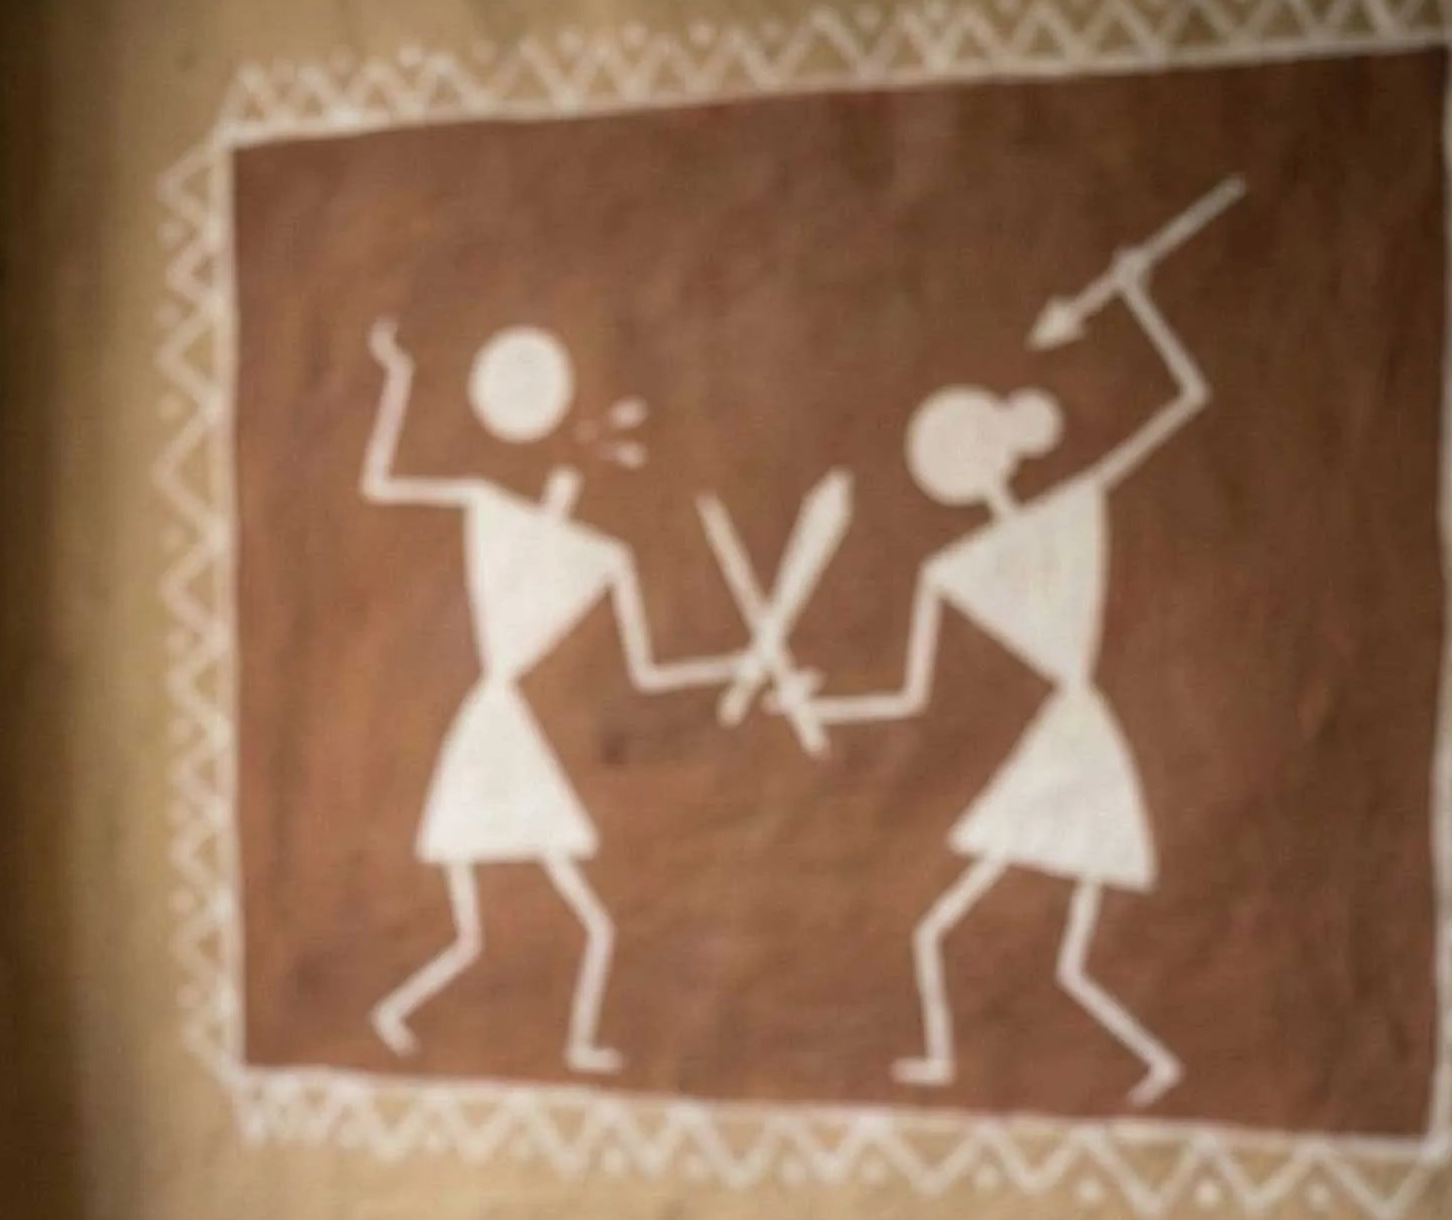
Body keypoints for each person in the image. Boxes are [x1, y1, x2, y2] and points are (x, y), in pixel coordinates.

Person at [780, 238, 1219, 1109]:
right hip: (1063, 747)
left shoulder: (1055, 513)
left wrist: (1139, 296)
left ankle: (1151, 1062)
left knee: (992, 938)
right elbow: (909, 693)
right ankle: (1131, 1062)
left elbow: (1188, 399)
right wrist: (817, 698)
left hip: (1076, 751)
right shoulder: (973, 558)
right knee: (1002, 942)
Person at [362, 320, 748, 1074]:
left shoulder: (597, 556)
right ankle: (401, 1011)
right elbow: (383, 481)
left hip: (506, 746)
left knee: (567, 927)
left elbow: (649, 671)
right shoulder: (501, 513)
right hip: (492, 744)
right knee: (523, 931)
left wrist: (731, 670)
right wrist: (396, 374)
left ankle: (547, 1037)